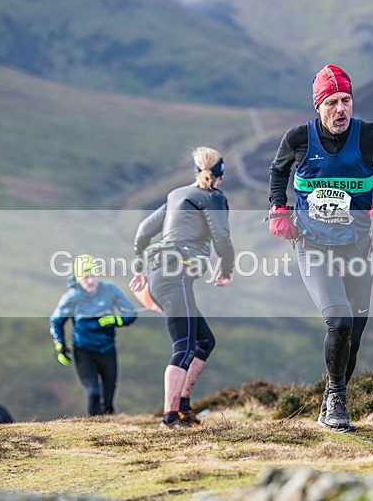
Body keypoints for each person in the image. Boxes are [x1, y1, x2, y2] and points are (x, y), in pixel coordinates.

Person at [267, 64, 373, 432]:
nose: (341, 109)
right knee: (339, 320)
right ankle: (339, 402)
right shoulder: (298, 139)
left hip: (358, 248)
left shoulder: (372, 137)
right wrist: (278, 208)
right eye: (332, 102)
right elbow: (278, 172)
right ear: (319, 107)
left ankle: (331, 393)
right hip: (313, 246)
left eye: (346, 100)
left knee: (353, 335)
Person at [130, 146, 235, 429]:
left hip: (162, 276)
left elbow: (143, 232)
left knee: (204, 342)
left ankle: (183, 407)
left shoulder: (177, 195)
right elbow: (222, 239)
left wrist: (140, 269)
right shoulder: (214, 197)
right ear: (220, 175)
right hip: (174, 277)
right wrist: (227, 269)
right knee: (184, 346)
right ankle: (169, 418)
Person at [50, 254, 137, 416]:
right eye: (86, 277)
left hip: (108, 349)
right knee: (93, 392)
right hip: (84, 350)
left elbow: (131, 313)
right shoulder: (72, 297)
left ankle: (110, 425)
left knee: (109, 397)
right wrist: (60, 345)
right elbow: (56, 321)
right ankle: (93, 426)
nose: (90, 281)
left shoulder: (110, 289)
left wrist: (116, 320)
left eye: (93, 275)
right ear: (78, 277)